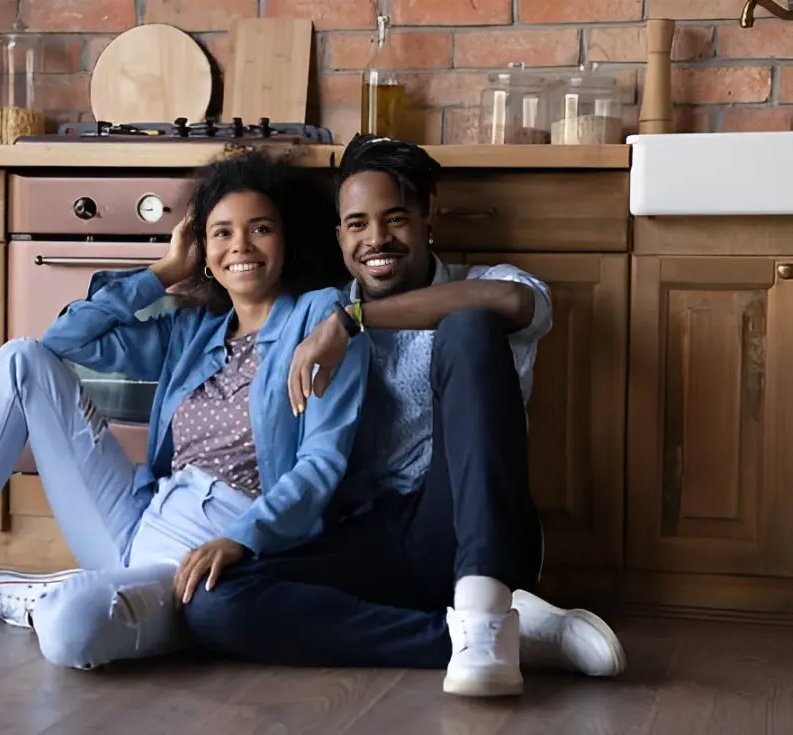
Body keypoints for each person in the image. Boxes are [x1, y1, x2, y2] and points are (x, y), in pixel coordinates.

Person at [0, 150, 370, 671]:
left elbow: (320, 463)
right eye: (221, 233)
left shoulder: (320, 318)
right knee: (19, 360)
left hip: (213, 554)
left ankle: (56, 595)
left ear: (287, 240)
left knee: (70, 631)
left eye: (260, 229)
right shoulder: (194, 330)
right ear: (203, 248)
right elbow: (64, 339)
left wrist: (243, 538)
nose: (241, 246)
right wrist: (164, 271)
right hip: (134, 520)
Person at [177, 134, 627, 697]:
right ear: (339, 235)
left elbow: (515, 305)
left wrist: (355, 320)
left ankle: (487, 611)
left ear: (427, 219)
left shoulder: (478, 283)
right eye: (357, 224)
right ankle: (497, 639)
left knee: (468, 323)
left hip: (464, 529)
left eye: (395, 219)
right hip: (363, 539)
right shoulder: (316, 310)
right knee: (215, 606)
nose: (376, 239)